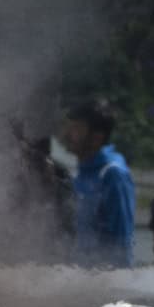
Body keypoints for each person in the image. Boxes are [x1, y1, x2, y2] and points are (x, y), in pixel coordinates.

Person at [56, 99, 137, 268]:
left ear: (96, 138)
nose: (68, 133)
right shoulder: (81, 173)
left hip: (105, 282)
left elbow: (121, 241)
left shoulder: (112, 174)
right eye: (69, 126)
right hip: (82, 277)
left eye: (77, 128)